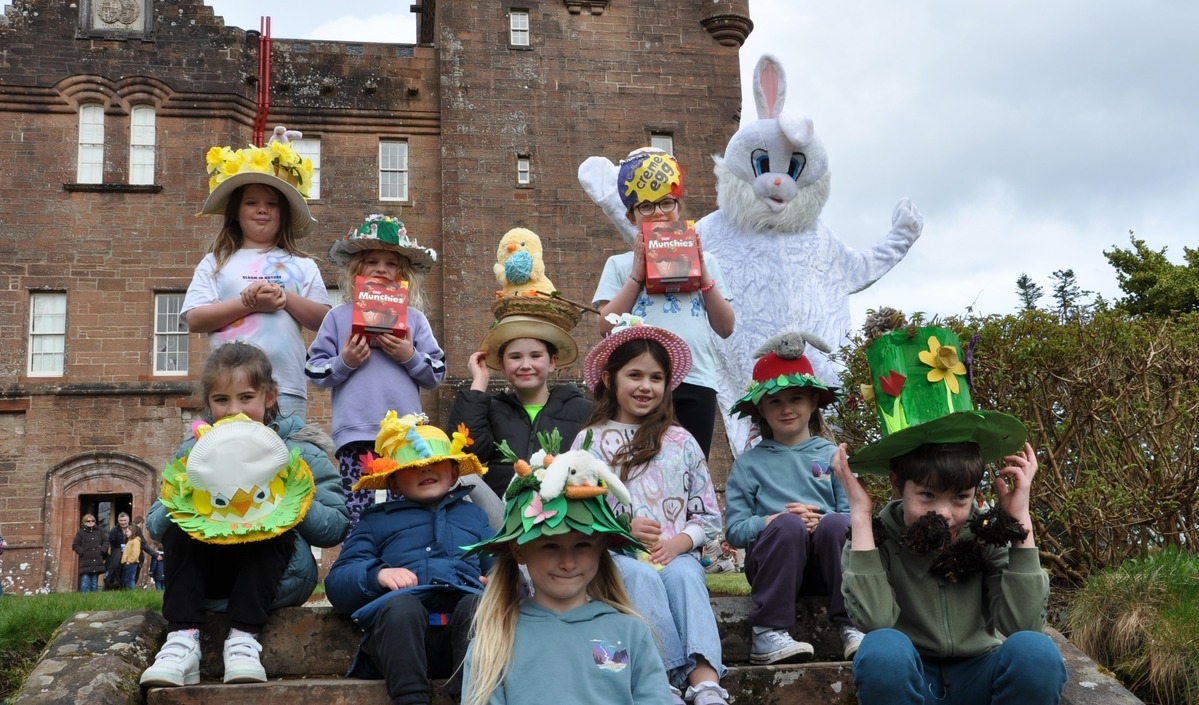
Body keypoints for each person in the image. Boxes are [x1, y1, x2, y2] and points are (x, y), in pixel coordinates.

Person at [832, 319, 1067, 705]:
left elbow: (1022, 624)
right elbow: (875, 625)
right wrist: (860, 516)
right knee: (883, 650)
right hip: (913, 676)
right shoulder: (877, 537)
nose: (944, 513)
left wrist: (1019, 523)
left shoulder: (984, 531)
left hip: (982, 672)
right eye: (926, 495)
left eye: (961, 497)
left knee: (1034, 651)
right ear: (897, 484)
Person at [141, 341, 350, 688]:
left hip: (275, 576)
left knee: (266, 520)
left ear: (269, 397)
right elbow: (155, 526)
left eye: (246, 397)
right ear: (208, 402)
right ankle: (182, 640)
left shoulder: (299, 450)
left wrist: (288, 494)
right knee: (181, 527)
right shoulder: (193, 451)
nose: (233, 408)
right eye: (221, 400)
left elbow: (334, 527)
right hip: (208, 577)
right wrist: (188, 490)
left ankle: (243, 639)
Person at [572, 314, 728, 705]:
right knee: (641, 576)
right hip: (614, 557)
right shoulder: (590, 442)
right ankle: (661, 681)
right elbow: (574, 512)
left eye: (656, 378)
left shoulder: (681, 440)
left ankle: (706, 680)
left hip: (674, 553)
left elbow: (708, 516)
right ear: (610, 379)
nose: (646, 386)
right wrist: (620, 528)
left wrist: (679, 543)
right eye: (635, 375)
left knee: (685, 578)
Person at [460, 443, 673, 705]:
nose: (568, 562)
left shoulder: (631, 632)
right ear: (519, 550)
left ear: (601, 549)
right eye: (550, 546)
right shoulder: (494, 641)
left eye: (582, 545)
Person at [325, 413, 493, 705]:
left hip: (464, 637)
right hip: (398, 642)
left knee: (479, 604)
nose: (425, 470)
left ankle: (474, 698)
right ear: (394, 485)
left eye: (435, 463)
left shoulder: (474, 516)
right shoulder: (376, 520)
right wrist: (377, 575)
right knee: (401, 605)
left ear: (454, 474)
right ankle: (410, 700)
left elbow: (500, 565)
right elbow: (338, 582)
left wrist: (500, 581)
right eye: (413, 467)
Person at [724, 332, 864, 663]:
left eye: (796, 399)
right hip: (774, 567)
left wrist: (823, 519)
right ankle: (767, 632)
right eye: (775, 401)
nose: (787, 409)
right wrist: (771, 520)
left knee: (835, 524)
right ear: (761, 408)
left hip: (825, 567)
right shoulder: (748, 465)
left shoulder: (833, 456)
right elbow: (735, 531)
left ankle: (853, 624)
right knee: (787, 526)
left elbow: (854, 516)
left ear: (813, 402)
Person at [589, 148, 734, 459]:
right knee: (639, 463)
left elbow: (725, 326)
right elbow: (605, 325)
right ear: (631, 216)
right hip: (640, 381)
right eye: (645, 206)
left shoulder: (707, 260)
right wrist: (636, 277)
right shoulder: (619, 264)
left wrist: (702, 271)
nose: (658, 213)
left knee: (692, 465)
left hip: (696, 379)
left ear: (679, 207)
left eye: (666, 203)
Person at [306, 214, 448, 525]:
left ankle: (404, 565)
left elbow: (437, 372)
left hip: (404, 437)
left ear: (403, 274)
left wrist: (409, 356)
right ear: (356, 270)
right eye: (372, 261)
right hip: (356, 434)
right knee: (360, 513)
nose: (382, 269)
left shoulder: (414, 319)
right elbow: (313, 370)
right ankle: (366, 569)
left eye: (392, 263)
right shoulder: (337, 317)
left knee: (409, 511)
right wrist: (345, 362)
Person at [182, 134, 330, 423]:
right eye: (252, 202)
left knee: (288, 462)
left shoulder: (302, 265)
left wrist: (285, 298)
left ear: (283, 214)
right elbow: (195, 319)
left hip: (286, 386)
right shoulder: (216, 262)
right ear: (236, 213)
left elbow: (324, 321)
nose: (263, 209)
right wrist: (247, 303)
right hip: (229, 391)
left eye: (272, 204)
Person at [448, 313, 590, 498]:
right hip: (505, 514)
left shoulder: (582, 410)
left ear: (552, 362)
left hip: (563, 515)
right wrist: (479, 382)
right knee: (463, 480)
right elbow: (465, 451)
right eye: (515, 357)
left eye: (535, 356)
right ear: (501, 365)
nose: (525, 365)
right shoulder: (492, 409)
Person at [72, 514, 107, 593]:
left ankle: (94, 600)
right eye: (88, 521)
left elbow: (106, 541)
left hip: (96, 560)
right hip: (85, 561)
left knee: (94, 582)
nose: (91, 522)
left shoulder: (99, 531)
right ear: (84, 522)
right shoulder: (80, 533)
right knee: (85, 581)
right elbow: (75, 545)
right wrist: (83, 552)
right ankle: (84, 600)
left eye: (93, 521)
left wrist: (102, 550)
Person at [104, 512, 132, 590]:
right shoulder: (114, 530)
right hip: (116, 556)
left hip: (130, 556)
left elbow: (141, 542)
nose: (123, 522)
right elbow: (110, 543)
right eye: (121, 520)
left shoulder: (133, 529)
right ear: (118, 520)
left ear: (128, 520)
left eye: (125, 520)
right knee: (115, 575)